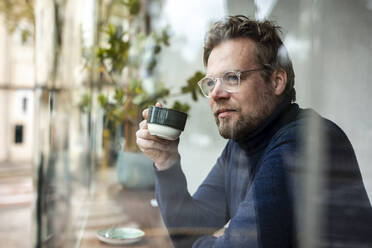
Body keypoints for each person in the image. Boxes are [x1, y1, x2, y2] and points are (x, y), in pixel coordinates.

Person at [136, 15, 372, 247]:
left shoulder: (304, 142)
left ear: (277, 81)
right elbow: (189, 228)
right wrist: (166, 160)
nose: (216, 93)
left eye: (232, 77)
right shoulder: (241, 144)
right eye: (211, 82)